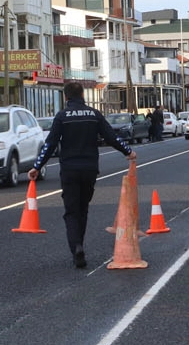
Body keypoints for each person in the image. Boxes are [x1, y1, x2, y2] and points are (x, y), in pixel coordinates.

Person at [29, 82, 135, 268]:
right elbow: (111, 136)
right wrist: (128, 152)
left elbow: (50, 143)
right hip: (89, 169)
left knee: (71, 211)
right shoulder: (94, 115)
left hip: (69, 170)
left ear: (66, 97)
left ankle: (76, 247)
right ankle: (80, 244)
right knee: (83, 208)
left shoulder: (62, 116)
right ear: (83, 95)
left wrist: (37, 166)